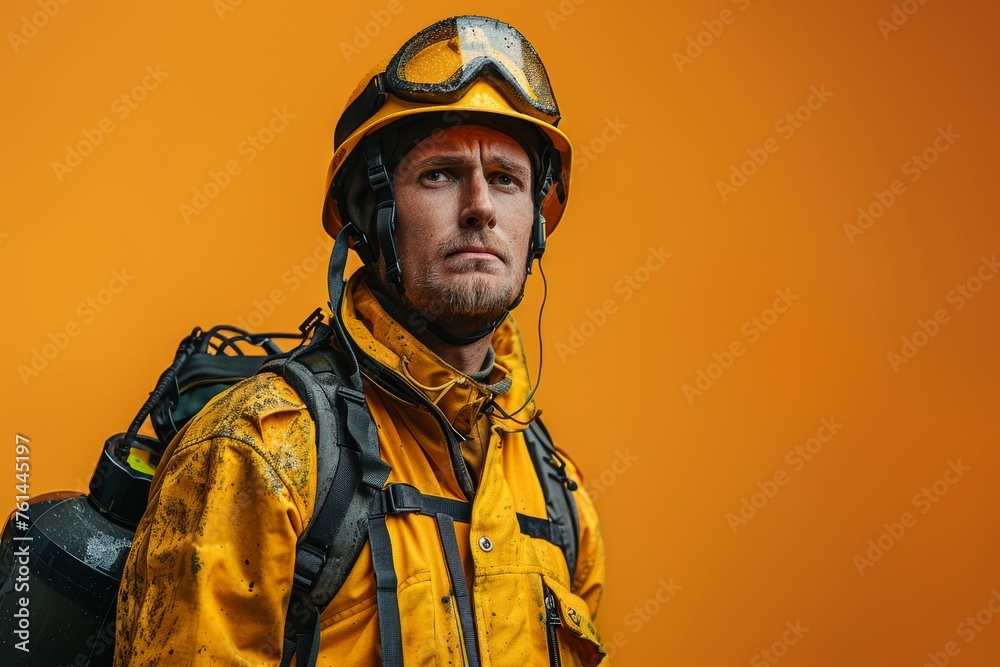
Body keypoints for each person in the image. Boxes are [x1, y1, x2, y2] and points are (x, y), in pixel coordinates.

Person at [115, 15, 607, 667]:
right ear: (369, 215)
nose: (481, 205)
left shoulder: (559, 495)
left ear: (536, 224)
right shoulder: (258, 454)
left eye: (508, 179)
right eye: (440, 173)